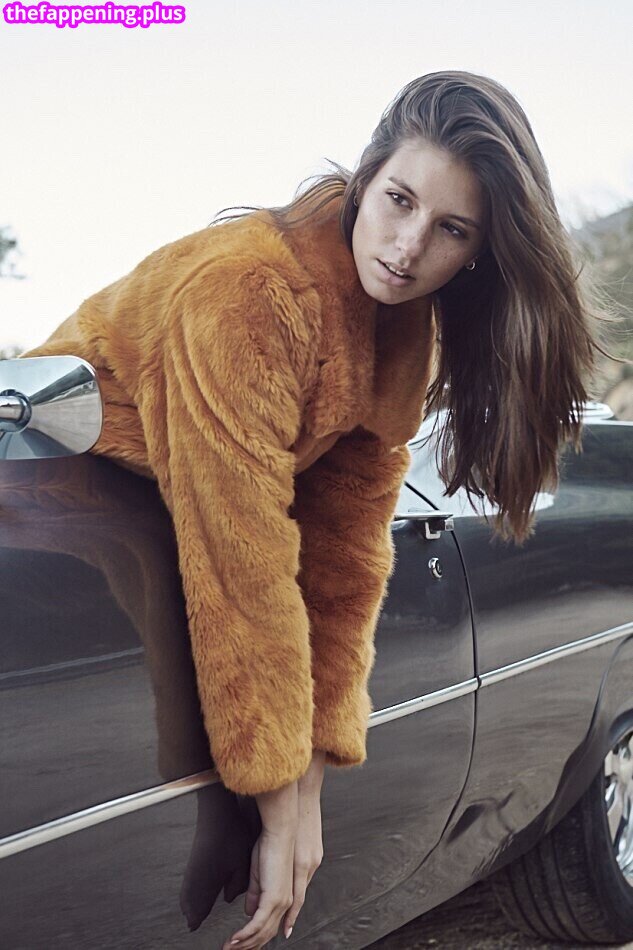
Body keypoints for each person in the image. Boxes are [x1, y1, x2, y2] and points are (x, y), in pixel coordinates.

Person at [21, 69, 623, 949]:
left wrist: (310, 782)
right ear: (367, 176)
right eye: (399, 201)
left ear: (476, 253)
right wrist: (281, 802)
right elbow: (242, 559)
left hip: (196, 512)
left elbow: (343, 556)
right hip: (67, 498)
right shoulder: (245, 290)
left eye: (450, 229)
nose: (407, 248)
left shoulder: (400, 328)